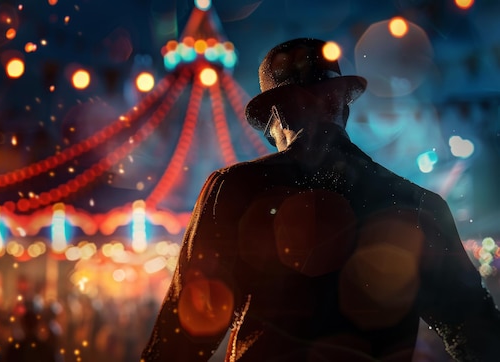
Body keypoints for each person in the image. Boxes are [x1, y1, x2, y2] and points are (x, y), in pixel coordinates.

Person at [140, 38, 500, 361]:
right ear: (342, 106)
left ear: (277, 115)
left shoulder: (234, 189)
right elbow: (477, 334)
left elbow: (183, 334)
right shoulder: (417, 202)